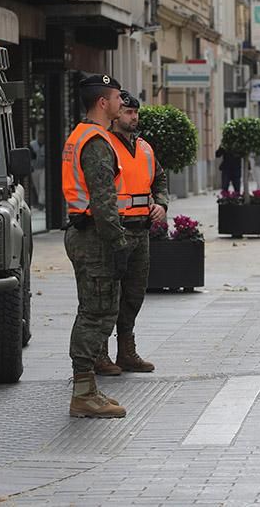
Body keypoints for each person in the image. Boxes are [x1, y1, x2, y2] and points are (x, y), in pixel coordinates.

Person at [61, 73, 128, 418]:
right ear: (103, 102)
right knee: (97, 313)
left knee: (94, 308)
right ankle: (83, 394)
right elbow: (103, 201)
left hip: (84, 231)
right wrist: (118, 243)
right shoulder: (96, 142)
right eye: (117, 98)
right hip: (94, 236)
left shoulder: (80, 135)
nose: (121, 103)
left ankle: (88, 390)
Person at [93, 91, 169, 377]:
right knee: (107, 295)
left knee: (134, 294)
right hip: (115, 230)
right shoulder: (104, 145)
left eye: (135, 112)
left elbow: (159, 178)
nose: (133, 117)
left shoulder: (145, 148)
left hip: (141, 231)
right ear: (115, 114)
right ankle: (99, 354)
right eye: (127, 112)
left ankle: (126, 351)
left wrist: (161, 204)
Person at [29, 129, 46, 209]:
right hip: (35, 168)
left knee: (42, 185)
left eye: (43, 135)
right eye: (40, 134)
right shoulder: (32, 144)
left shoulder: (46, 144)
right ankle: (40, 201)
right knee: (37, 186)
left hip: (43, 168)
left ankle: (41, 203)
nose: (41, 137)